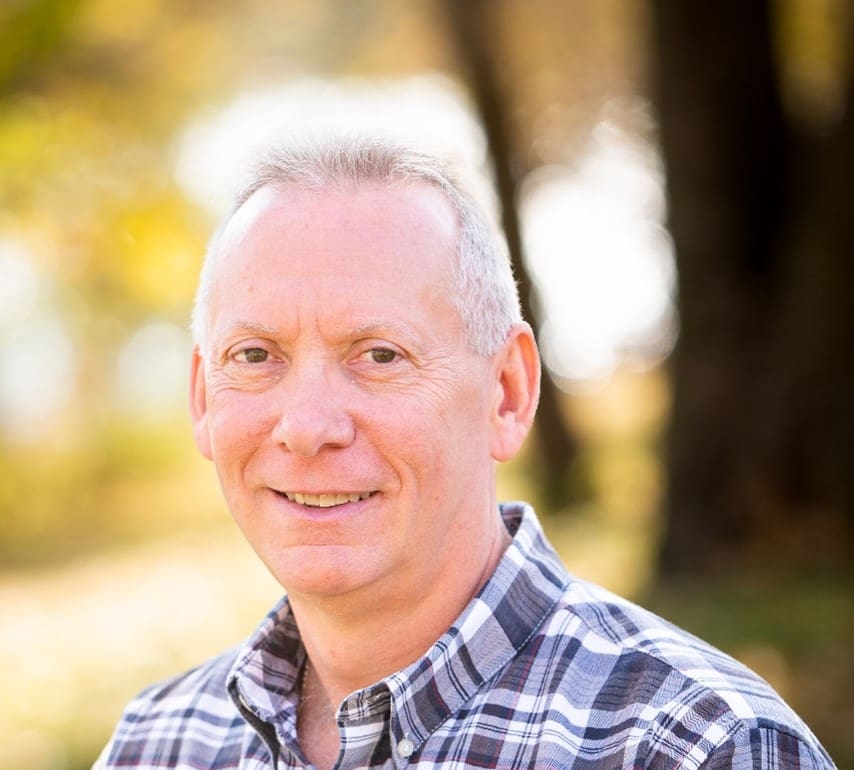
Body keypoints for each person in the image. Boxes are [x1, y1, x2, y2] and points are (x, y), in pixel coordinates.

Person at [94, 136, 835, 770]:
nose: (308, 426)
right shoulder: (156, 745)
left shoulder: (700, 748)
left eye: (379, 354)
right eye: (254, 355)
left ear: (506, 393)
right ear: (202, 397)